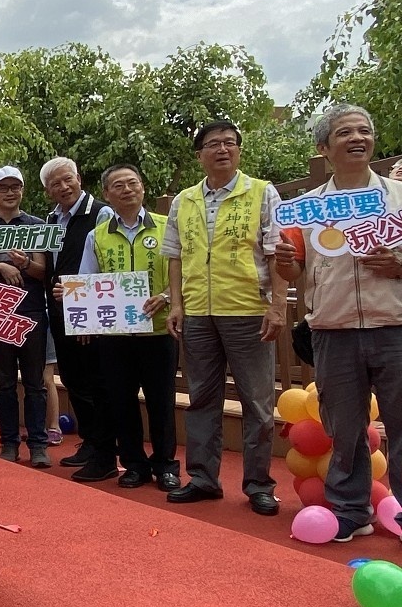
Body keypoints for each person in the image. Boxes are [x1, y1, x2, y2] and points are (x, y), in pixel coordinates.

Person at [274, 104, 402, 541]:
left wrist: (398, 264)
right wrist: (288, 262)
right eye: (345, 133)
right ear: (324, 148)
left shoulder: (398, 198)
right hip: (332, 329)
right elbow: (293, 271)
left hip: (395, 327)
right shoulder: (304, 209)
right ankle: (350, 510)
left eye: (364, 131)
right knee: (343, 429)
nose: (357, 138)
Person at [163, 120, 286, 516]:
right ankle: (202, 478)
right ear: (199, 154)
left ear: (239, 150)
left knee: (258, 402)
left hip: (248, 309)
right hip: (198, 312)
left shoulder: (262, 192)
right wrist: (177, 304)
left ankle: (258, 485)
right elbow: (176, 257)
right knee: (201, 398)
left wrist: (278, 305)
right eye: (213, 144)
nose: (222, 150)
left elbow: (276, 252)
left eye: (230, 143)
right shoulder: (184, 200)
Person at [76, 164, 180, 490]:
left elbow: (188, 275)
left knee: (161, 403)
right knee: (122, 402)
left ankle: (165, 465)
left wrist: (165, 296)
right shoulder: (98, 235)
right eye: (118, 185)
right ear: (107, 194)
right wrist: (83, 320)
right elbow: (86, 281)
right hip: (114, 335)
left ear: (143, 188)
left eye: (132, 183)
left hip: (159, 330)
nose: (126, 189)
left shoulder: (167, 228)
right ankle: (133, 464)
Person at [0, 166, 50, 466]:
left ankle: (38, 445)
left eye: (15, 187)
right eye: (3, 187)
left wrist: (24, 264)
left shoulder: (36, 225)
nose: (9, 192)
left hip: (32, 311)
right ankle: (9, 443)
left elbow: (44, 273)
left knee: (35, 383)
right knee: (5, 382)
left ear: (22, 190)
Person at [41, 156, 110, 469]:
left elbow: (107, 266)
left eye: (68, 179)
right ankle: (91, 442)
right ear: (48, 191)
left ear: (79, 178)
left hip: (90, 313)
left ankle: (103, 447)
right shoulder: (51, 220)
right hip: (59, 312)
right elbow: (52, 266)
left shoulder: (100, 213)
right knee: (72, 378)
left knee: (94, 379)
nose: (63, 186)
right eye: (55, 183)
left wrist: (84, 303)